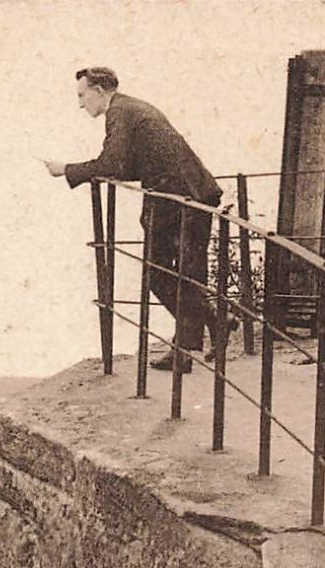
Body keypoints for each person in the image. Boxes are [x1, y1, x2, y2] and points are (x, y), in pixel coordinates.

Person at [44, 67, 225, 372]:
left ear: (99, 91)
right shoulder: (129, 108)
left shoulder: (120, 112)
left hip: (180, 198)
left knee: (157, 274)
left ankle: (213, 320)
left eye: (81, 95)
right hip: (188, 193)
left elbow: (111, 162)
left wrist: (67, 169)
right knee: (184, 274)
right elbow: (128, 165)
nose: (79, 104)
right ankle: (185, 350)